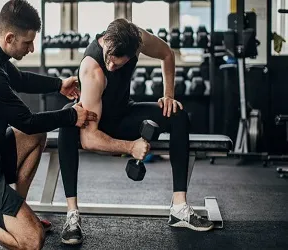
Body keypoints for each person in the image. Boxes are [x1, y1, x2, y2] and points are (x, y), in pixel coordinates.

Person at [0, 0, 97, 249]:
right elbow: (27, 121)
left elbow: (20, 79)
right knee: (34, 241)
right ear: (10, 37)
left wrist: (58, 85)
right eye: (27, 42)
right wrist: (71, 116)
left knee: (37, 137)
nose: (32, 48)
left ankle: (18, 209)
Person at [58, 18, 214, 245]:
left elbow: (167, 53)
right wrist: (130, 147)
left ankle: (179, 207)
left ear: (134, 52)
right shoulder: (93, 70)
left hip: (123, 113)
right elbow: (89, 139)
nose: (111, 66)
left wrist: (168, 95)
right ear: (106, 41)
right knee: (67, 117)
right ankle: (72, 216)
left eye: (118, 64)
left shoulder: (139, 39)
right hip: (94, 123)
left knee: (177, 114)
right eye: (110, 59)